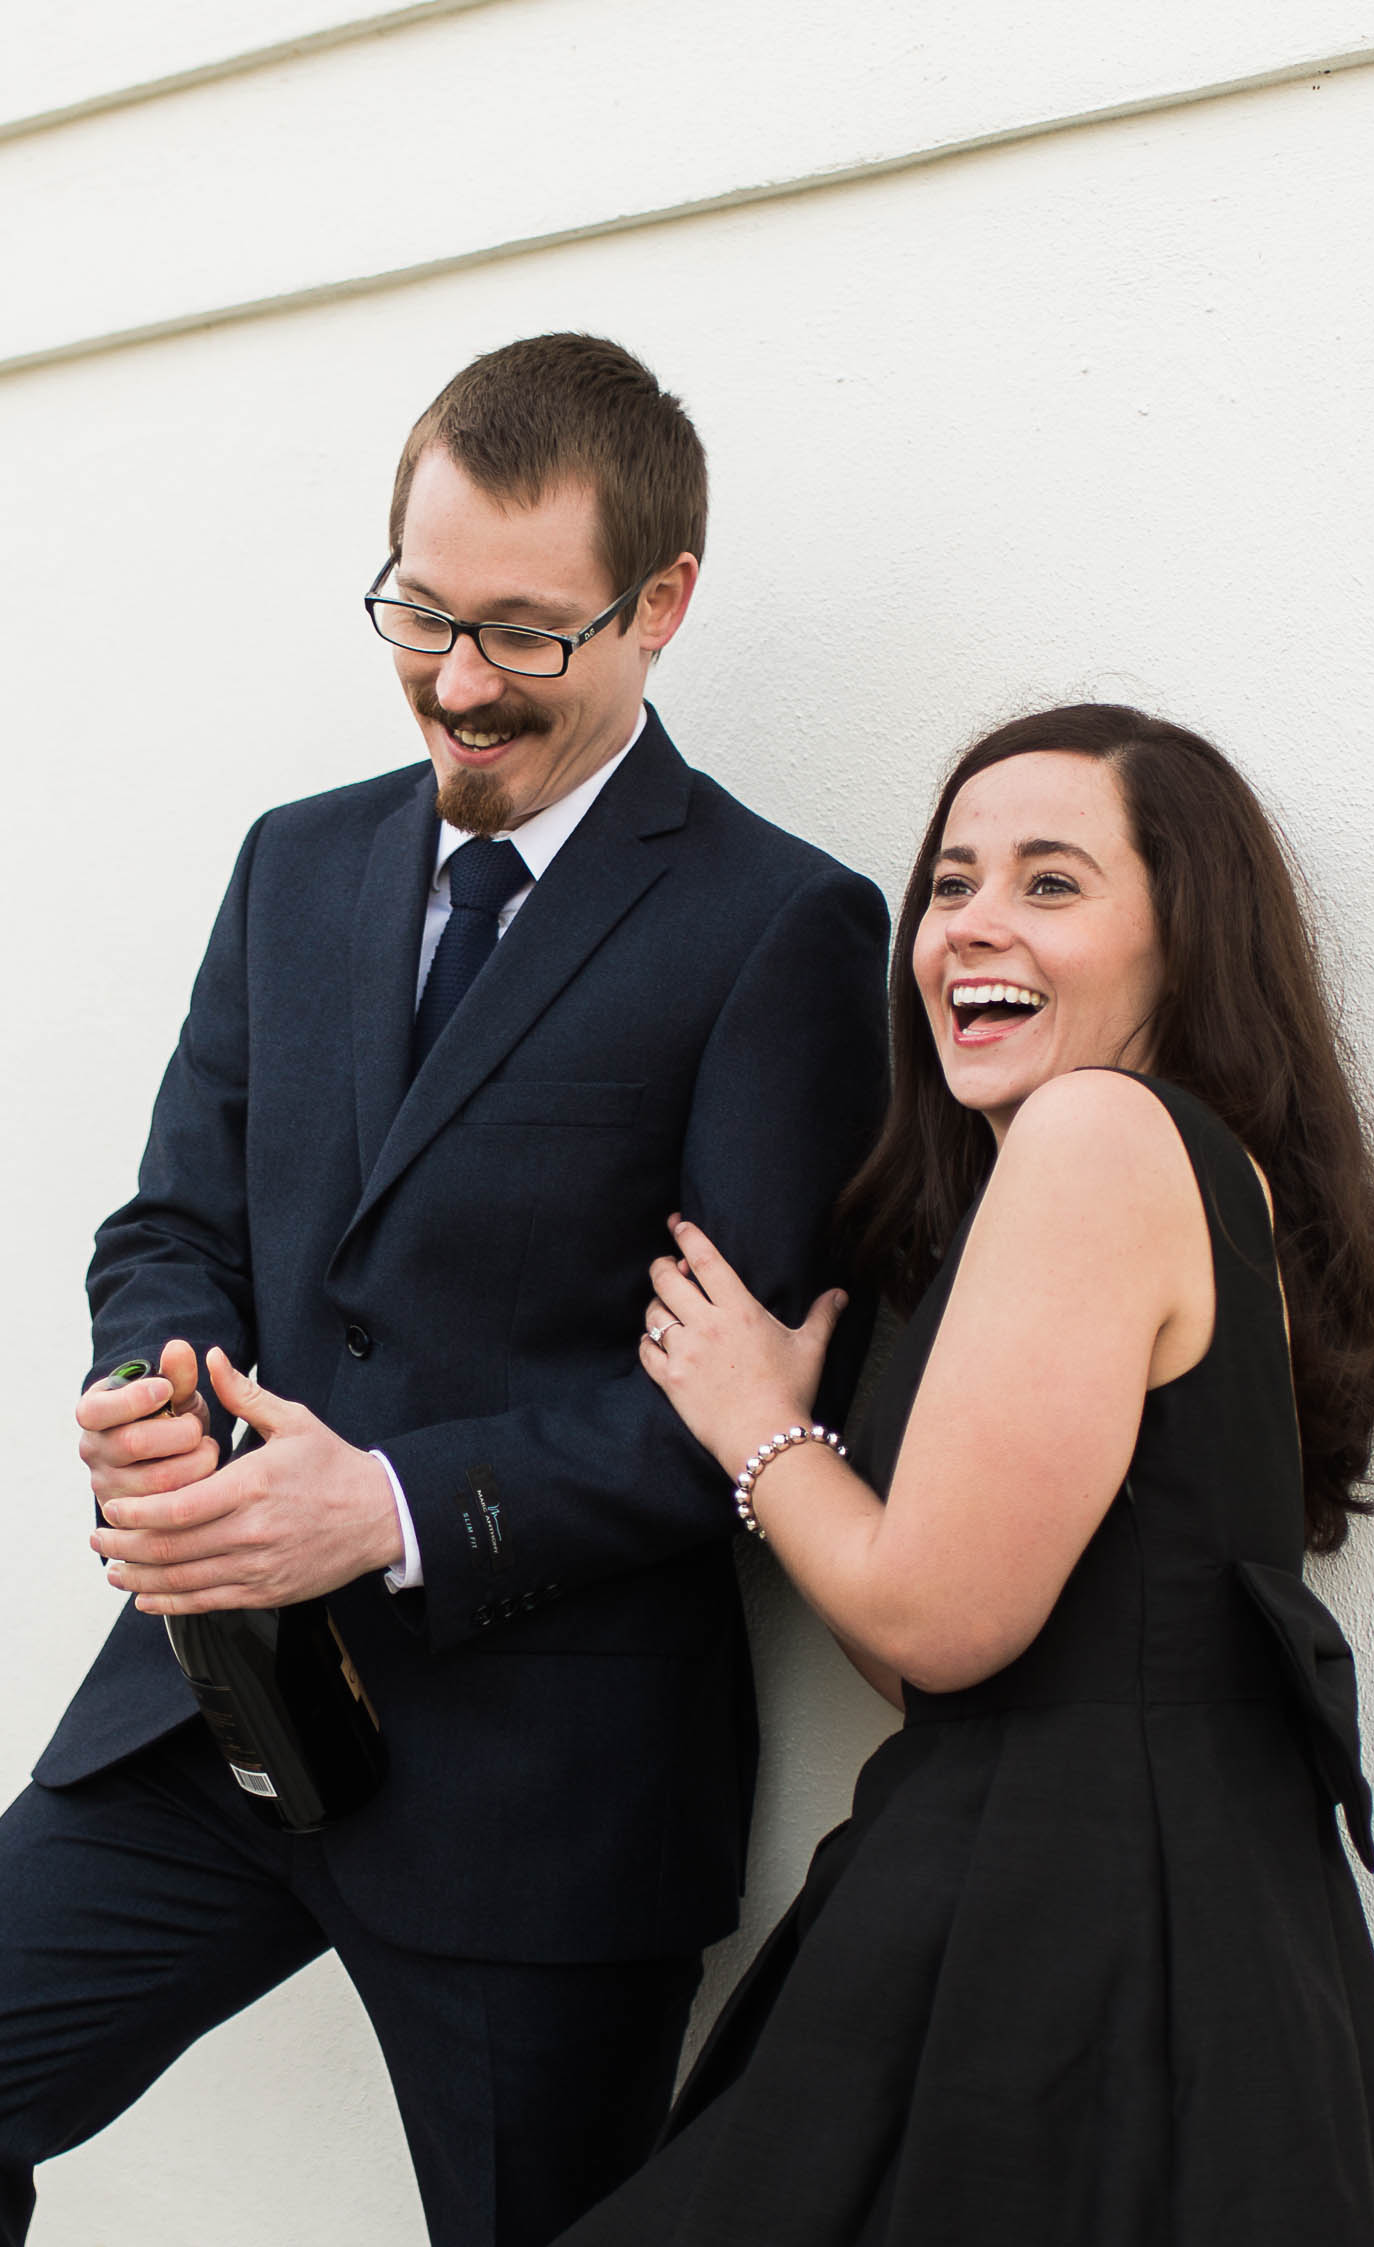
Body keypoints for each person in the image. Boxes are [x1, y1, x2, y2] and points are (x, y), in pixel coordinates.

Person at [0, 334, 890, 2247]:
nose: (458, 682)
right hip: (207, 1717)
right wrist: (150, 1403)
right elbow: (171, 1224)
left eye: (522, 633)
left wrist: (385, 1509)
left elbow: (734, 1409)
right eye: (420, 611)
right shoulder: (294, 864)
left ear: (661, 605)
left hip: (546, 1797)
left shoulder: (781, 927)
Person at [556, 703, 1374, 2247]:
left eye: (1050, 883)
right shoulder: (1186, 1166)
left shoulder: (1095, 1136)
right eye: (950, 882)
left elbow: (933, 1623)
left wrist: (754, 1424)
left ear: (1188, 936)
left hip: (1063, 1951)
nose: (971, 927)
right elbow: (958, 1661)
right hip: (1165, 1928)